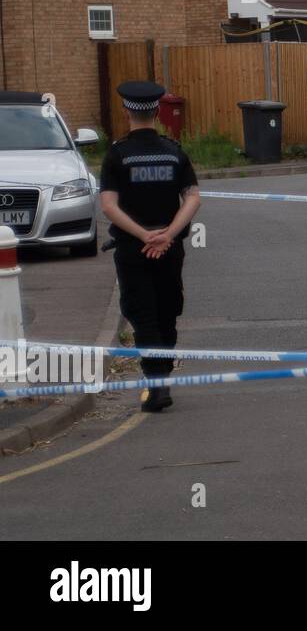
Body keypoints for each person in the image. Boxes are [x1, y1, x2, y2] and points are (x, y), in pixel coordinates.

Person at [99, 81, 201, 413]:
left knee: (143, 315)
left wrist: (145, 236)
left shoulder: (117, 154)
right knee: (167, 311)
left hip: (133, 249)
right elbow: (192, 198)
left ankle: (154, 384)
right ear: (157, 112)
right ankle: (163, 380)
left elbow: (109, 205)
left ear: (126, 111)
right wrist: (168, 234)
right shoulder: (174, 152)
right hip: (169, 248)